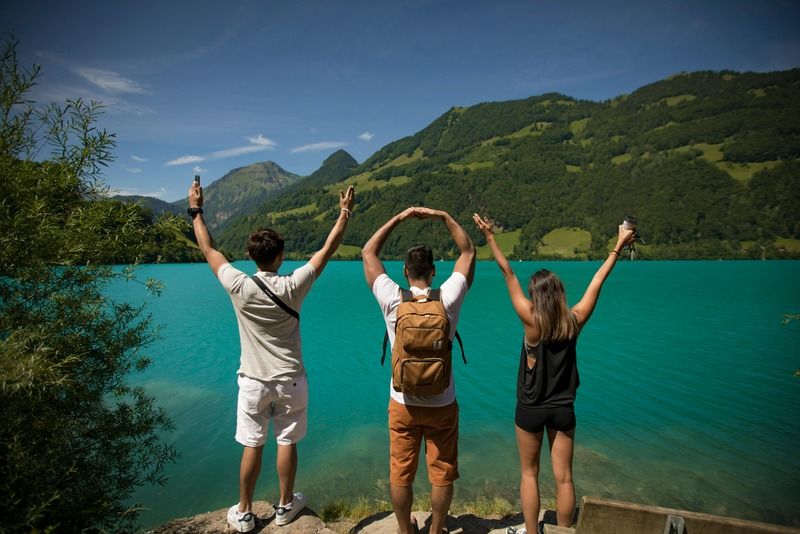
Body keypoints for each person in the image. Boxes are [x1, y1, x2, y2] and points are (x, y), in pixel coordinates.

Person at [188, 179, 355, 532]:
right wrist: (344, 212)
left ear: (251, 256)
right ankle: (284, 506)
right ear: (280, 256)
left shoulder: (238, 285)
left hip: (252, 380)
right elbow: (327, 249)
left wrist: (196, 210)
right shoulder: (293, 286)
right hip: (291, 379)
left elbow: (208, 248)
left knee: (252, 443)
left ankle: (246, 512)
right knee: (287, 440)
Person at [472, 214, 635, 534]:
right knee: (564, 477)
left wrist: (490, 238)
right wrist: (618, 245)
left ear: (535, 296)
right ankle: (562, 532)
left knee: (529, 474)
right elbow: (597, 282)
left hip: (530, 408)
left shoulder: (530, 320)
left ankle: (532, 532)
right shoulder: (574, 321)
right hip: (563, 408)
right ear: (560, 294)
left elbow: (508, 273)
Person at [362, 207, 476, 534]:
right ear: (434, 271)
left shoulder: (392, 298)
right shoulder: (449, 297)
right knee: (441, 473)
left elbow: (368, 251)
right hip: (442, 402)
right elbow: (468, 251)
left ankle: (404, 529)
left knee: (401, 472)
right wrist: (444, 217)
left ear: (405, 270)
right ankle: (437, 529)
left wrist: (399, 217)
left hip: (403, 401)